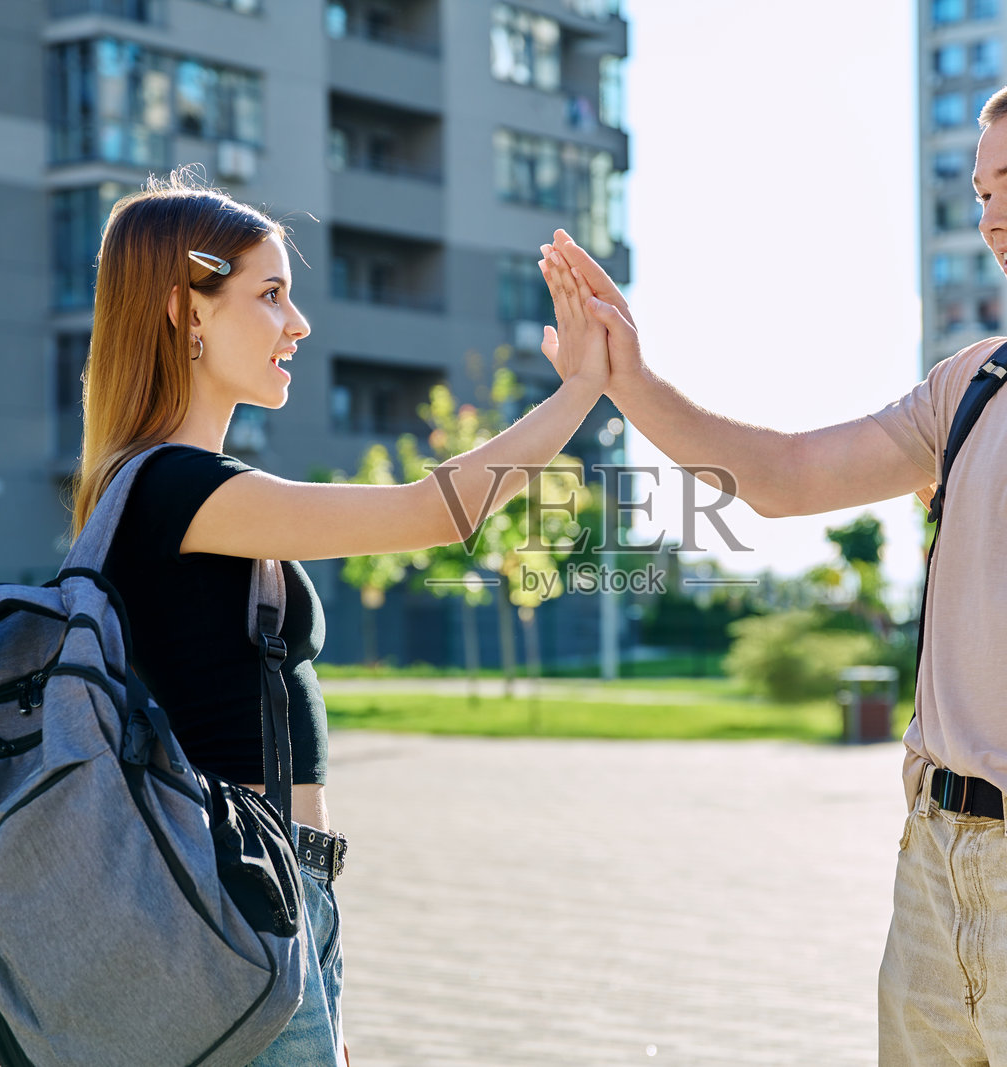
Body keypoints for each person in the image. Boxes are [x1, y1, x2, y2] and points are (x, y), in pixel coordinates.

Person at [540, 59, 1007, 1067]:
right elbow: (786, 472)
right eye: (981, 193)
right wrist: (626, 379)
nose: (989, 216)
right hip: (932, 874)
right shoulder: (976, 383)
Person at [71, 172, 609, 1066]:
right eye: (271, 295)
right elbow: (432, 511)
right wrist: (581, 391)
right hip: (239, 890)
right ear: (185, 310)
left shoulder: (165, 483)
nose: (299, 323)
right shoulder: (178, 488)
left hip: (272, 879)